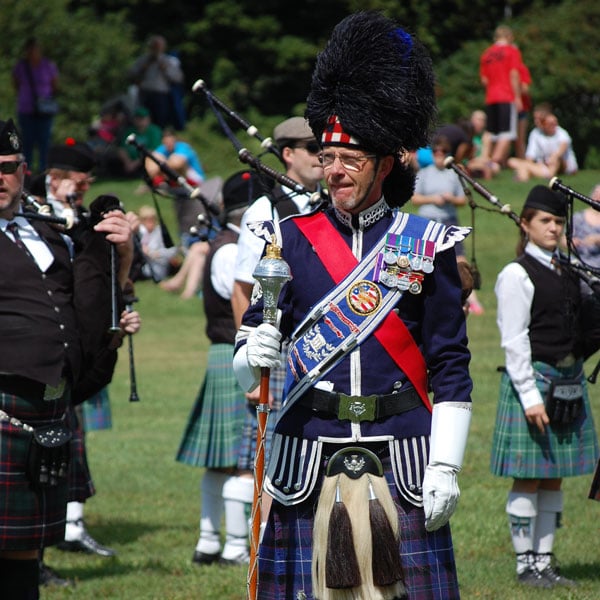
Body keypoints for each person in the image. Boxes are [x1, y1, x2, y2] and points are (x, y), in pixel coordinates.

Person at [233, 12, 473, 600]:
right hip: (308, 450)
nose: (334, 169)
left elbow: (450, 363)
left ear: (385, 164)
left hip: (405, 453)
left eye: (351, 157)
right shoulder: (287, 239)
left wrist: (445, 464)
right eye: (327, 156)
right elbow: (250, 355)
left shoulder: (425, 243)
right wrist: (251, 353)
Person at [0, 118, 134, 598]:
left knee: (24, 548)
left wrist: (123, 252)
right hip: (2, 401)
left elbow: (92, 302)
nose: (0, 178)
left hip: (50, 408)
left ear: (24, 170)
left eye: (8, 167)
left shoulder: (48, 232)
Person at [491, 185, 599, 588]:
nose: (554, 228)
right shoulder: (516, 274)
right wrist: (531, 396)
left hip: (567, 380)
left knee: (554, 476)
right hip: (533, 383)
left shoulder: (567, 269)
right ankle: (525, 566)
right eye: (545, 221)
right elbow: (514, 339)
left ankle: (545, 560)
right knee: (529, 476)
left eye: (558, 222)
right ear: (526, 224)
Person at [42, 140, 138, 571]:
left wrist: (126, 258)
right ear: (53, 180)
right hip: (36, 353)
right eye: (77, 184)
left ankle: (68, 530)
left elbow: (107, 288)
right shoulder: (29, 221)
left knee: (66, 447)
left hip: (80, 353)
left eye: (86, 186)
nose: (81, 193)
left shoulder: (86, 221)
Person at [230, 116, 324, 525]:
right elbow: (241, 291)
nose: (323, 157)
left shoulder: (333, 204)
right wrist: (251, 361)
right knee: (276, 462)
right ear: (287, 154)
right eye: (312, 149)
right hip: (279, 350)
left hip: (327, 346)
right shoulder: (267, 210)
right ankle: (271, 553)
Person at [176, 170, 264, 566]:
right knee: (239, 458)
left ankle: (210, 541)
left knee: (225, 458)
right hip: (235, 352)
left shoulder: (224, 243)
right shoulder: (232, 251)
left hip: (224, 354)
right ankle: (229, 547)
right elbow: (246, 302)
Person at [411, 134, 484, 315]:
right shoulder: (424, 173)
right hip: (428, 221)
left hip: (448, 221)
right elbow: (414, 198)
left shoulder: (454, 174)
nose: (439, 155)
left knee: (460, 260)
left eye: (443, 152)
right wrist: (433, 199)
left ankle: (470, 298)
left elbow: (463, 200)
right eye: (436, 151)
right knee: (424, 259)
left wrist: (450, 199)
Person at [12, 37, 59, 173]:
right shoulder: (21, 66)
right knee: (27, 143)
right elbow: (15, 83)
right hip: (26, 110)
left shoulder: (48, 65)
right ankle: (27, 173)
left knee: (45, 143)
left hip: (45, 110)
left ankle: (44, 173)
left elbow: (55, 85)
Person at [479, 25, 523, 171]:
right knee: (507, 133)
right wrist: (517, 97)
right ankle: (494, 163)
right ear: (509, 37)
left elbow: (484, 80)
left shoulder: (486, 54)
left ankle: (484, 159)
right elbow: (514, 74)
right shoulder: (512, 51)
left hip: (491, 96)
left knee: (490, 131)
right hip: (506, 95)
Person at [127, 35, 184, 129]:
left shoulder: (169, 60)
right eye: (154, 46)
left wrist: (165, 69)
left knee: (160, 120)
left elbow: (178, 78)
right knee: (142, 118)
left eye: (158, 46)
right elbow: (131, 74)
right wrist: (143, 68)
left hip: (161, 95)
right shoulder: (143, 60)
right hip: (145, 93)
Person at [507, 113, 578, 182]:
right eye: (550, 124)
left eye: (555, 123)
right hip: (543, 165)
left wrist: (552, 158)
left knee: (555, 160)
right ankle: (527, 173)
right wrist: (529, 165)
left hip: (563, 165)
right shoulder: (536, 133)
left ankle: (528, 174)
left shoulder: (561, 133)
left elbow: (561, 149)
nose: (554, 125)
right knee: (512, 161)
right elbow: (530, 156)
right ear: (544, 124)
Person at [131, 205, 179, 282]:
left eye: (152, 219)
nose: (150, 222)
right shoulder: (139, 233)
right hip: (140, 267)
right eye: (146, 220)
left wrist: (154, 253)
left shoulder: (160, 232)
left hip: (158, 267)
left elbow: (173, 250)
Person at [117, 106, 162, 178]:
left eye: (142, 118)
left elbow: (153, 150)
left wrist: (135, 163)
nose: (139, 121)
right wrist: (127, 162)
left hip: (145, 161)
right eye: (137, 118)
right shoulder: (129, 131)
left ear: (148, 119)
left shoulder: (154, 131)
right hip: (129, 163)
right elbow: (121, 148)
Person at [570, 184, 600, 269]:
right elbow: (564, 240)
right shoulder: (578, 217)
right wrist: (572, 242)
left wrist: (597, 239)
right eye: (597, 194)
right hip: (580, 261)